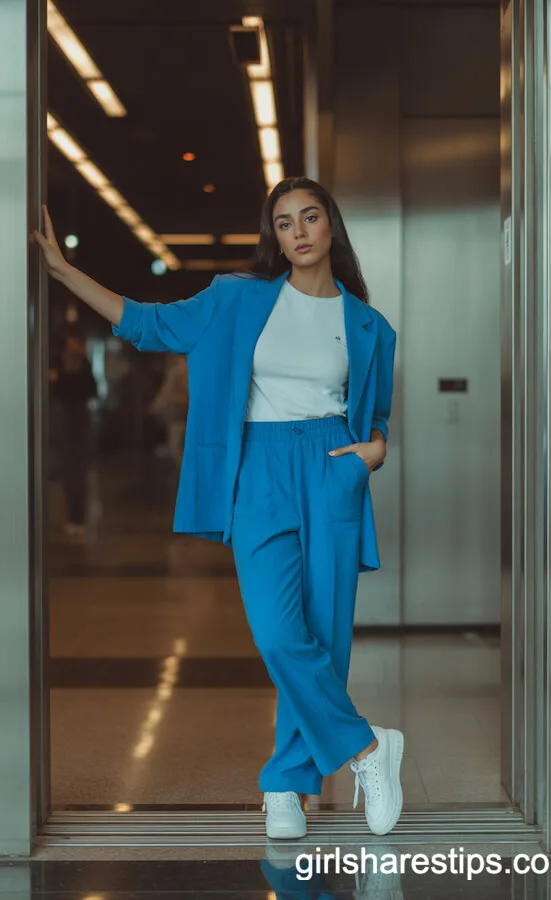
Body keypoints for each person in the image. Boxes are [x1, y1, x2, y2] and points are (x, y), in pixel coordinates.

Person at [33, 176, 402, 839]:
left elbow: (376, 419)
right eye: (285, 223)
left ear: (330, 226)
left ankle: (286, 784)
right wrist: (62, 271)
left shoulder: (370, 326)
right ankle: (367, 748)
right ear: (276, 238)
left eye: (310, 217)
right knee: (278, 633)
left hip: (332, 469)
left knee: (324, 633)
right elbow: (146, 323)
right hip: (258, 470)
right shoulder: (237, 300)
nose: (299, 232)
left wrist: (374, 453)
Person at [49, 333, 97, 537]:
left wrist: (60, 378)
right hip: (64, 422)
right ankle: (72, 517)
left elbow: (90, 390)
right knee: (68, 472)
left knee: (77, 472)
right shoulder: (58, 361)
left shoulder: (83, 364)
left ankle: (77, 518)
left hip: (79, 423)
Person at [149, 354, 189, 468]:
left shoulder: (177, 372)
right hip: (189, 412)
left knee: (175, 446)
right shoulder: (193, 370)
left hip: (178, 412)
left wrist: (156, 405)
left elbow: (166, 392)